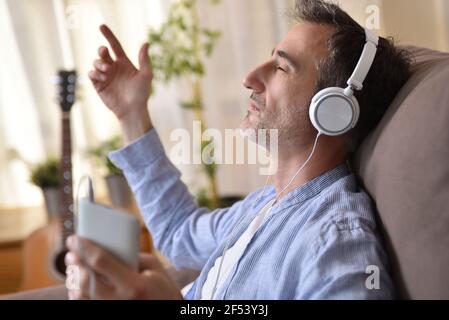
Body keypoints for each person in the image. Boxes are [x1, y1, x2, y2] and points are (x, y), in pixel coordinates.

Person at [65, 0, 411, 300]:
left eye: (280, 67)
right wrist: (131, 114)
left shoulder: (336, 244)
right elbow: (179, 233)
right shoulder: (266, 203)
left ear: (333, 111)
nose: (249, 78)